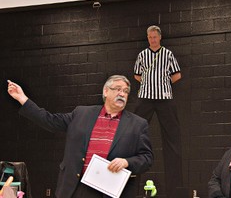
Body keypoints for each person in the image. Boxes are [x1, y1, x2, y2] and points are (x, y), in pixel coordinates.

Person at [7, 75, 153, 198]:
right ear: (106, 91)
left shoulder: (138, 124)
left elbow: (147, 158)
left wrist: (126, 162)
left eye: (126, 91)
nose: (122, 93)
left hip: (110, 191)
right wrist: (22, 98)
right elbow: (49, 121)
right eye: (118, 89)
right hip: (75, 188)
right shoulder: (81, 113)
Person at [133, 25, 184, 197]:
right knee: (135, 132)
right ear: (147, 38)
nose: (152, 39)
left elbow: (177, 75)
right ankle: (131, 174)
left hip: (165, 98)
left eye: (155, 37)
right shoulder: (142, 55)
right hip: (145, 97)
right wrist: (149, 85)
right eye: (150, 37)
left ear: (159, 37)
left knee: (172, 136)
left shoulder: (168, 54)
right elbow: (137, 75)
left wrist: (162, 84)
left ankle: (174, 187)